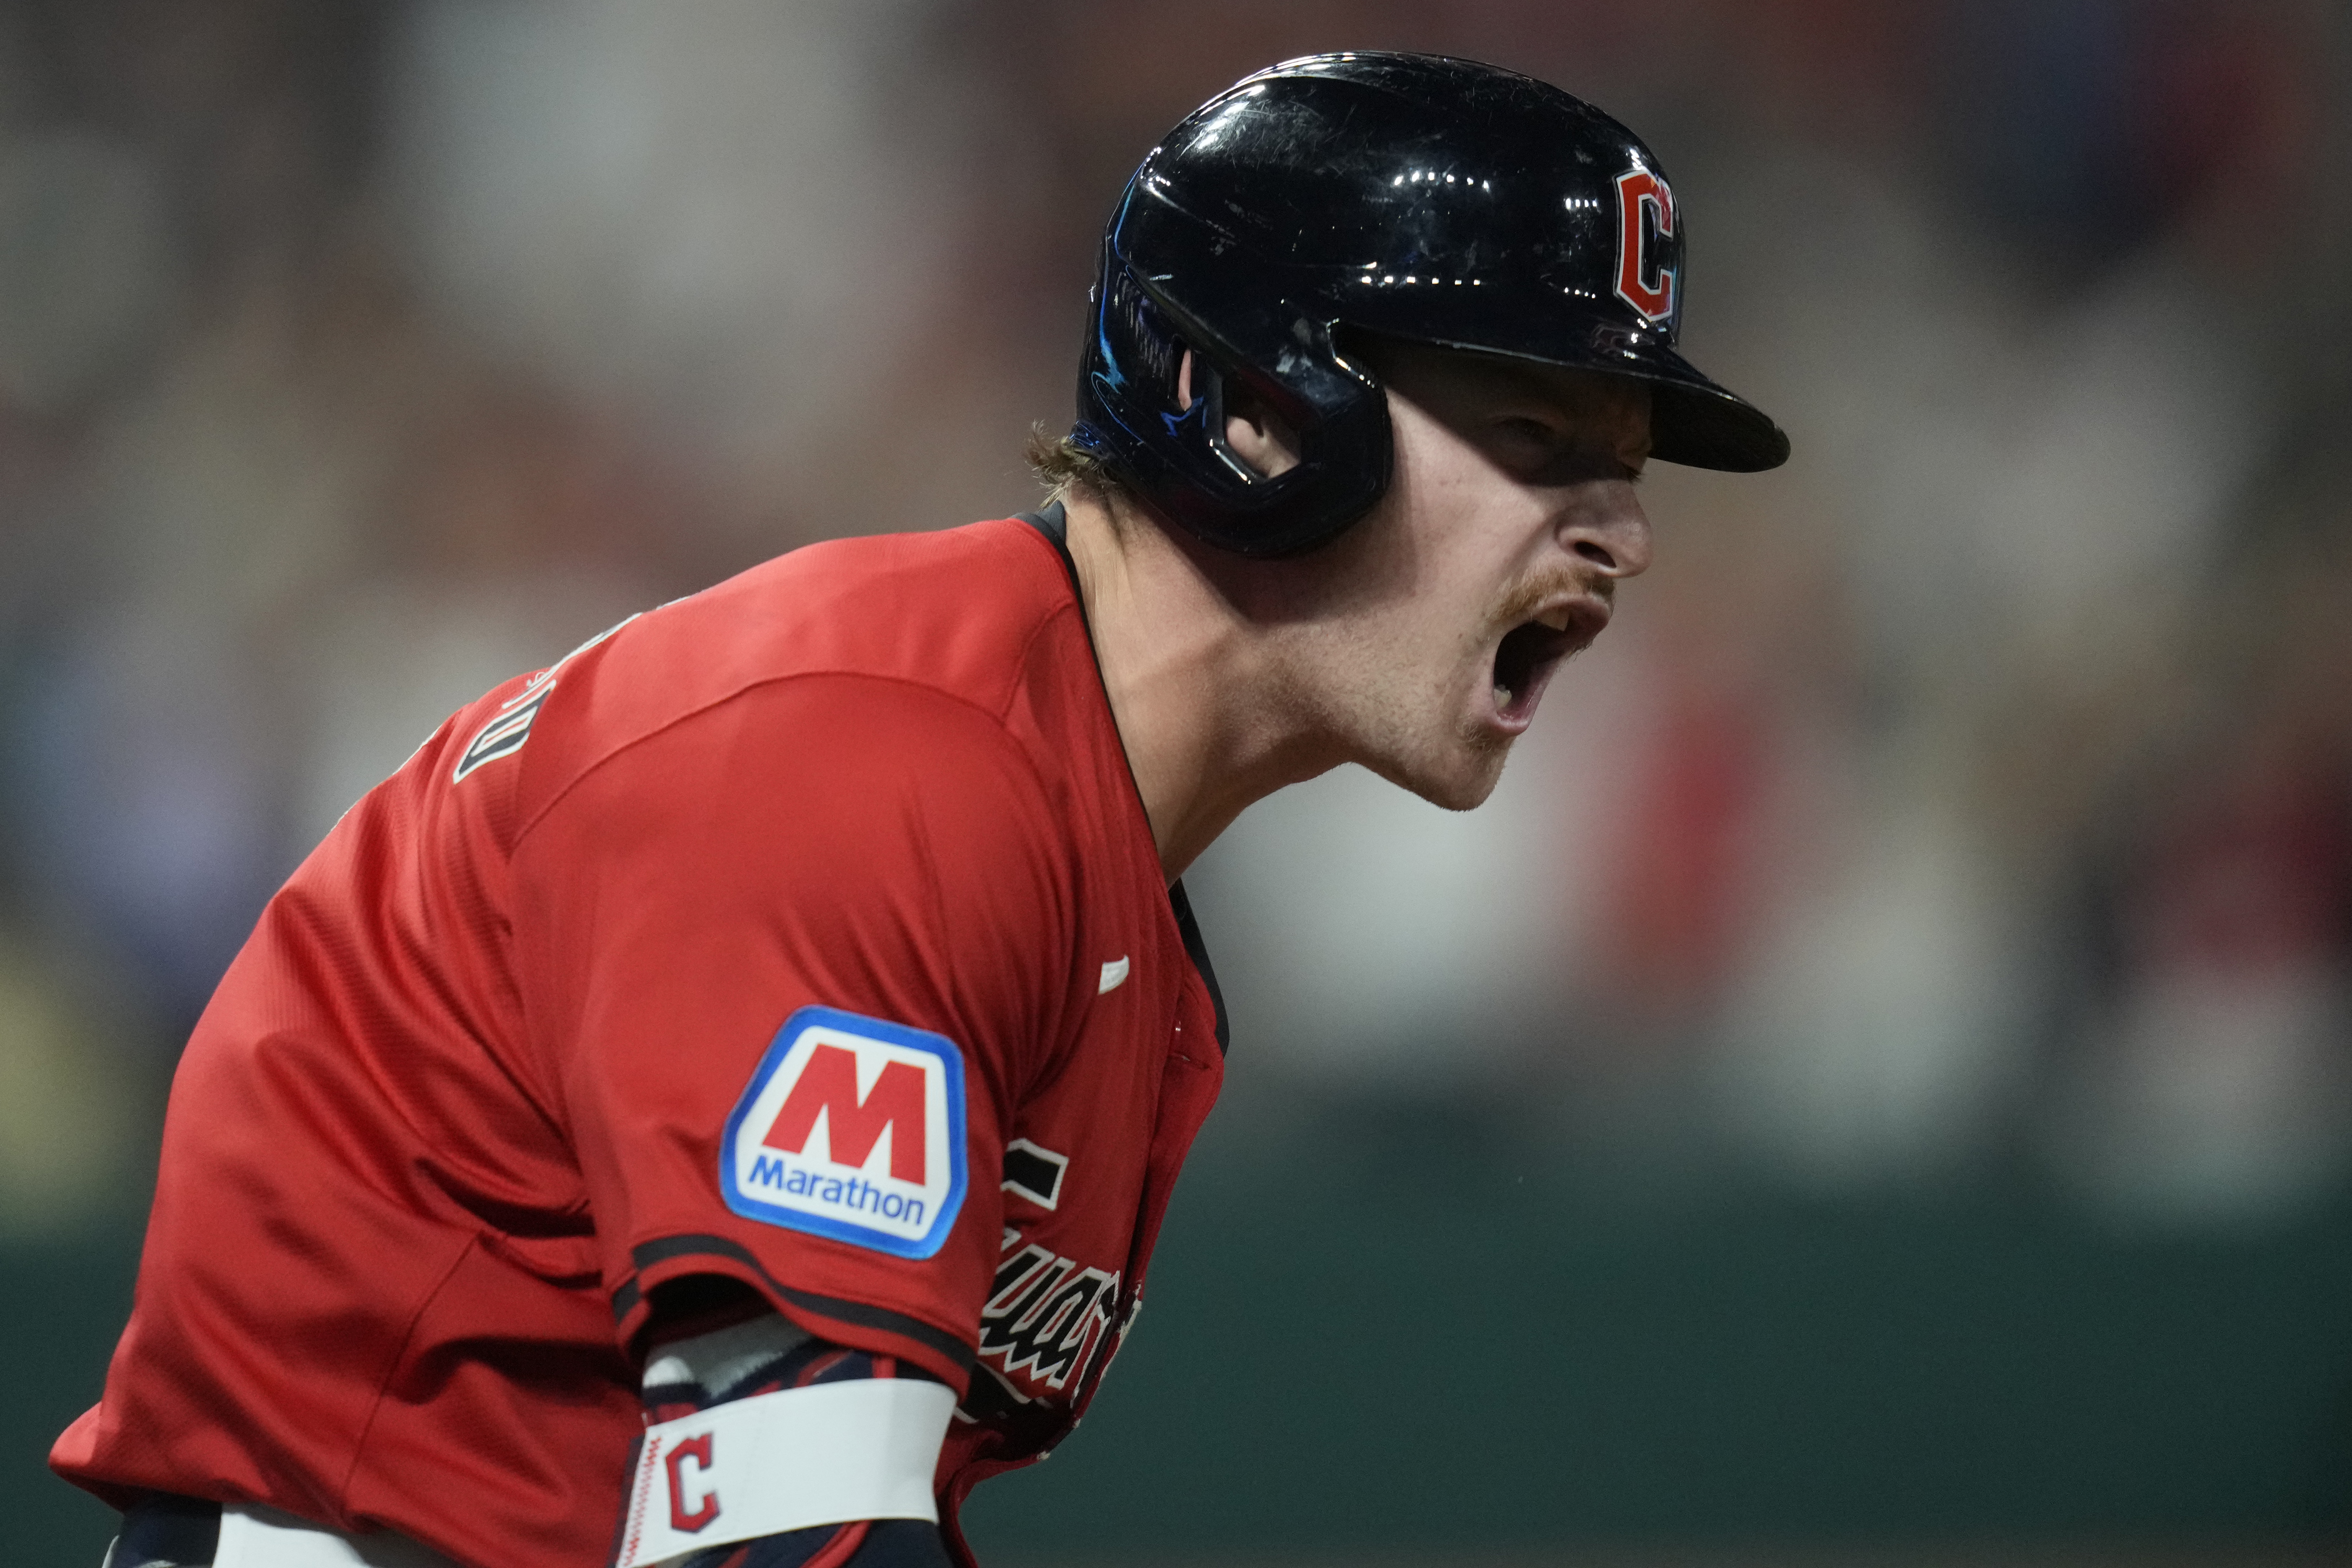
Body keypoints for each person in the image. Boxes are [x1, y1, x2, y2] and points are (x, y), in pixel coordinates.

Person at [55, 51, 1786, 1568]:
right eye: (1535, 434)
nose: (1618, 531)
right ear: (1260, 409)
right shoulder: (873, 762)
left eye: (1622, 467)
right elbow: (781, 1541)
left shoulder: (1113, 910)